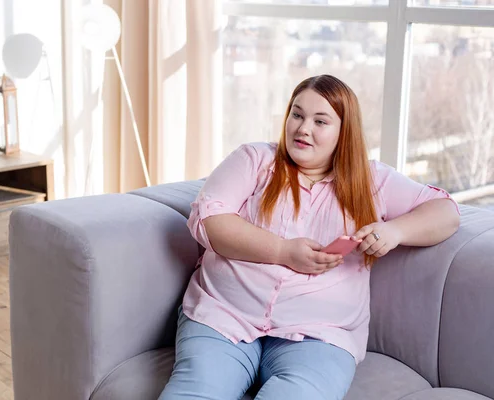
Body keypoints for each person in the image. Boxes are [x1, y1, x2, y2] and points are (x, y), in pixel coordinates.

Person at [158, 75, 460, 400]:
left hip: (320, 334)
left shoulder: (374, 181)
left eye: (320, 121)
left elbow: (446, 211)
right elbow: (208, 220)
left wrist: (394, 231)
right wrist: (284, 251)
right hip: (223, 316)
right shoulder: (255, 160)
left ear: (344, 132)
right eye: (297, 114)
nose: (303, 128)